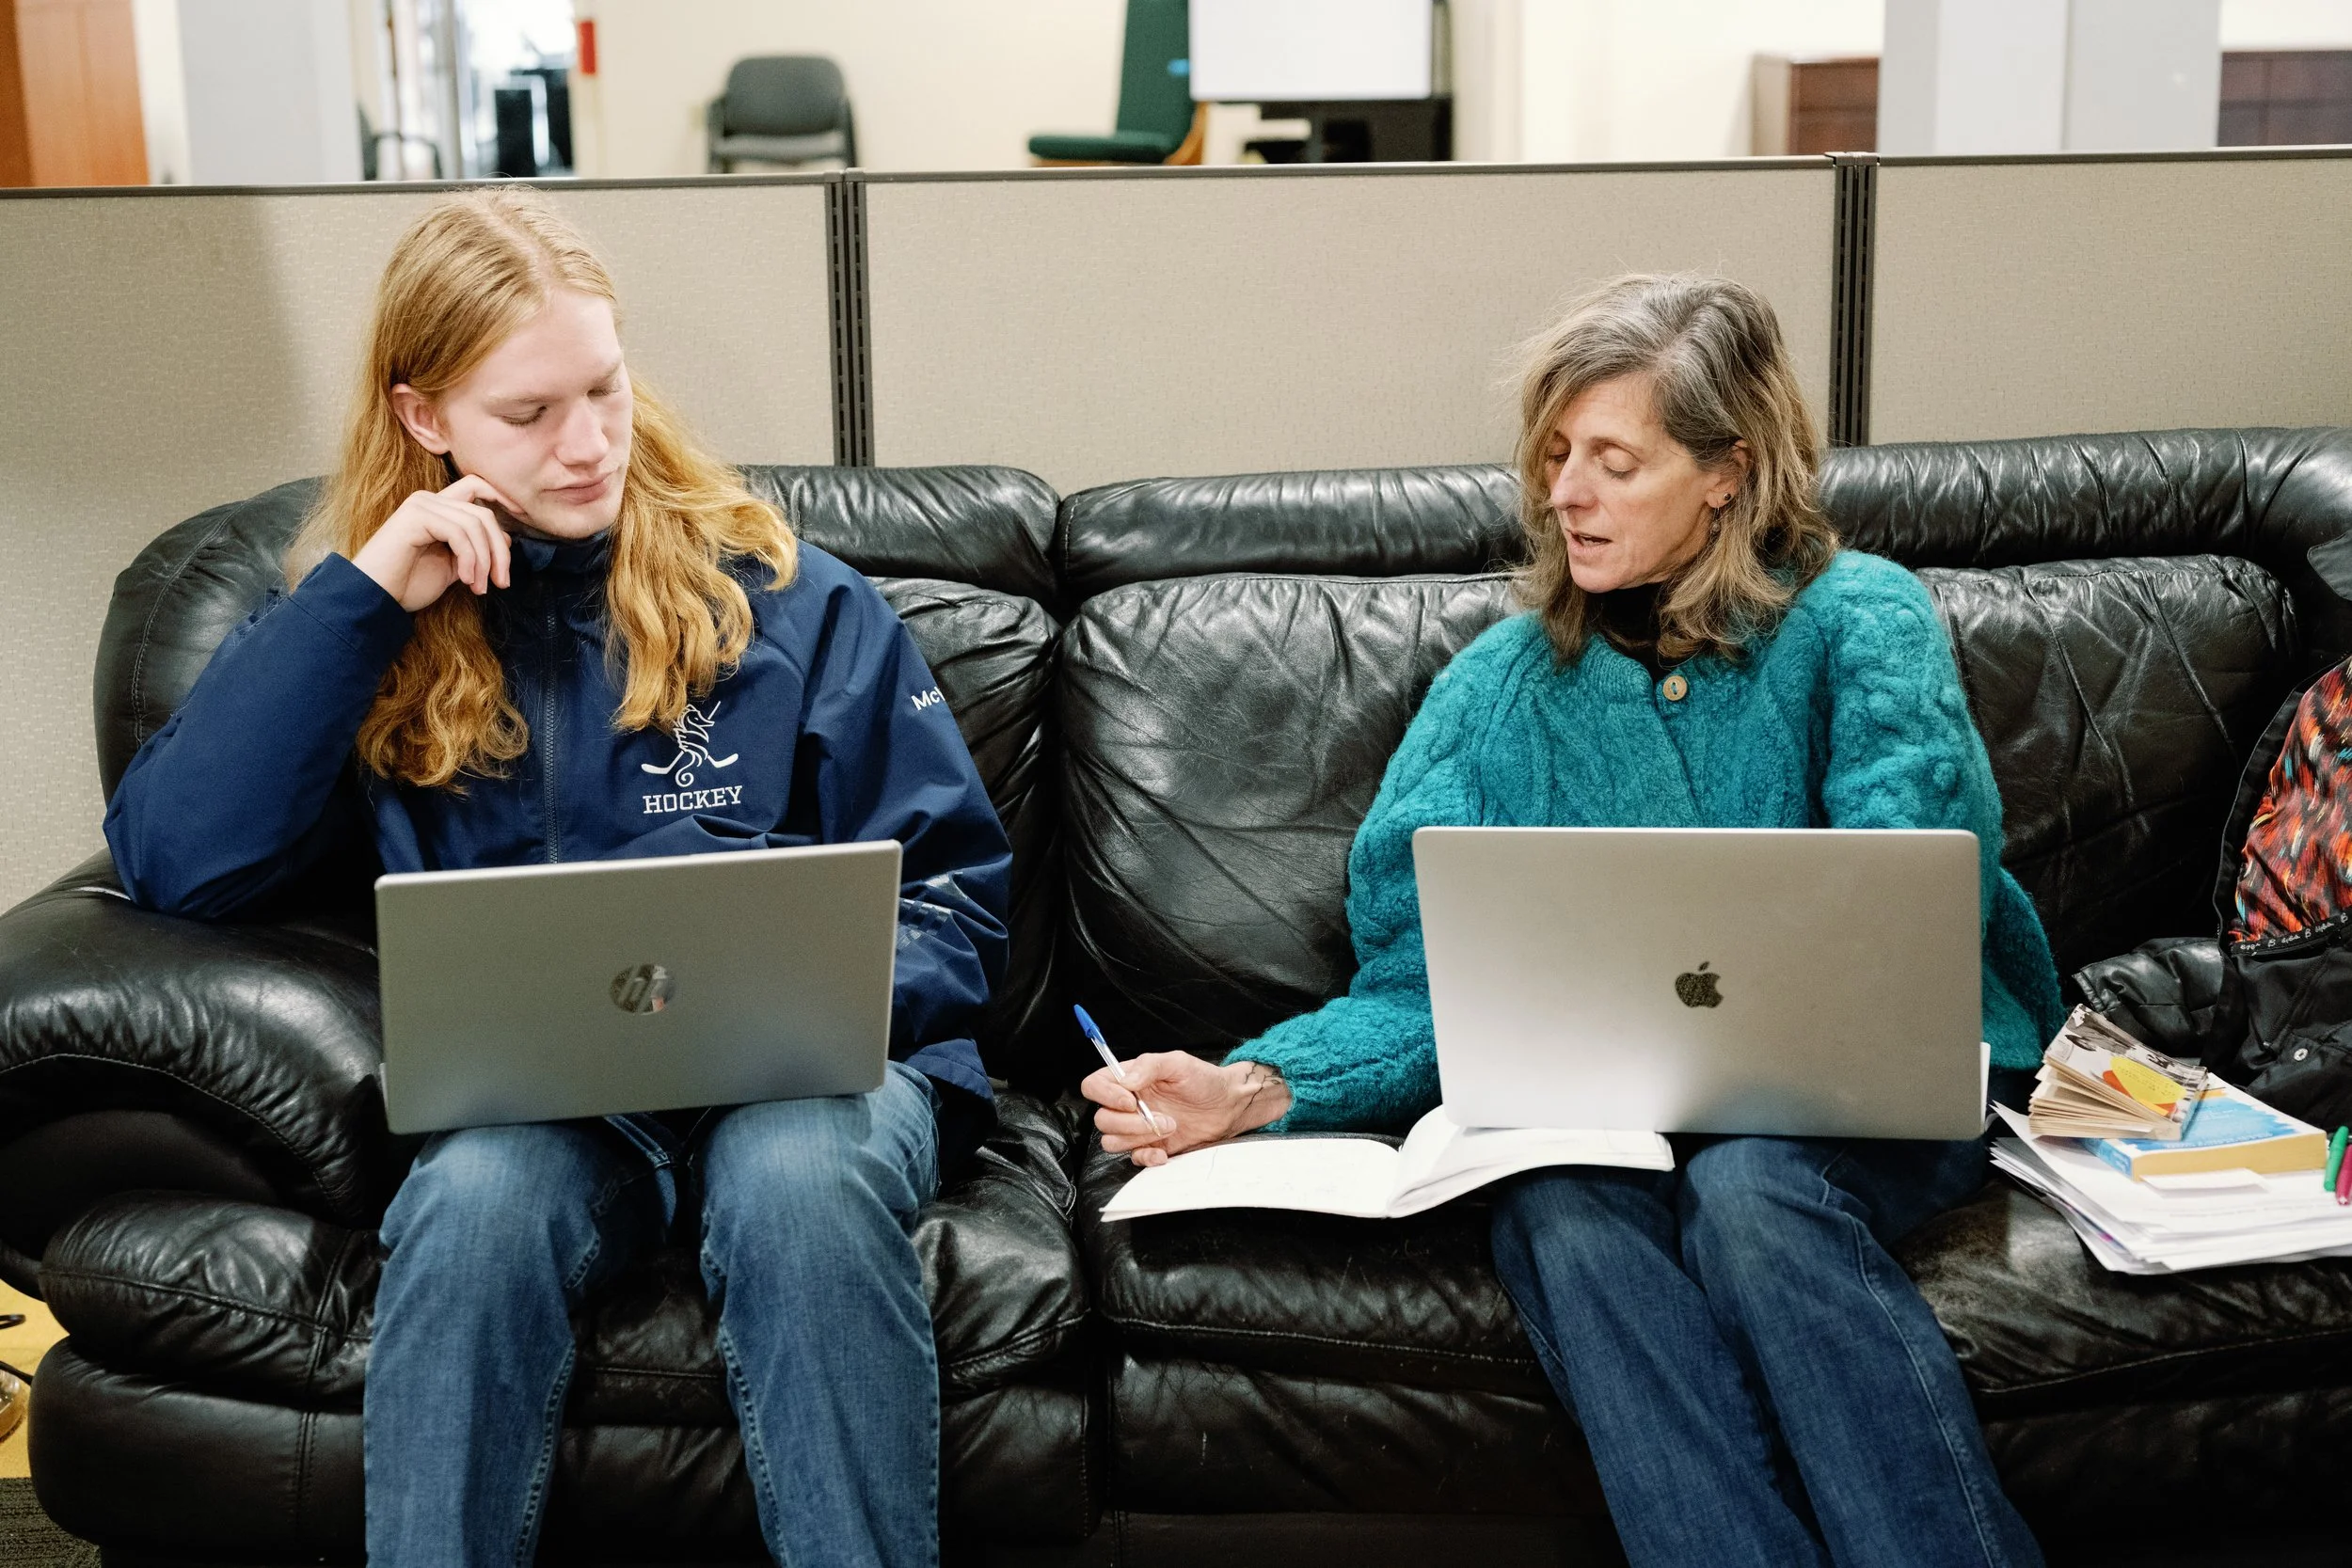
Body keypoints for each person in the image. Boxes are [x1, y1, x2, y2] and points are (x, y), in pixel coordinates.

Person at [1081, 274, 2059, 1567]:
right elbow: (1421, 983)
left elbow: (1907, 901)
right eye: (1555, 457)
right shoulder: (1495, 689)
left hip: (1860, 1100)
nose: (1567, 494)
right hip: (1602, 1115)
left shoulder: (1860, 622)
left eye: (1615, 459)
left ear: (1729, 472)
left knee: (1755, 1189)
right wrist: (1259, 1085)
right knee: (1555, 1203)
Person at [104, 187, 1009, 1568]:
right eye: (529, 413)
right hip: (549, 1105)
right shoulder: (374, 621)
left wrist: (821, 989)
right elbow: (176, 863)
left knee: (799, 1183)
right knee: (473, 1208)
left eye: (604, 387)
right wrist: (357, 601)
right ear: (424, 417)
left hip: (808, 1079)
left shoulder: (786, 596)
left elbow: (956, 891)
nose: (588, 444)